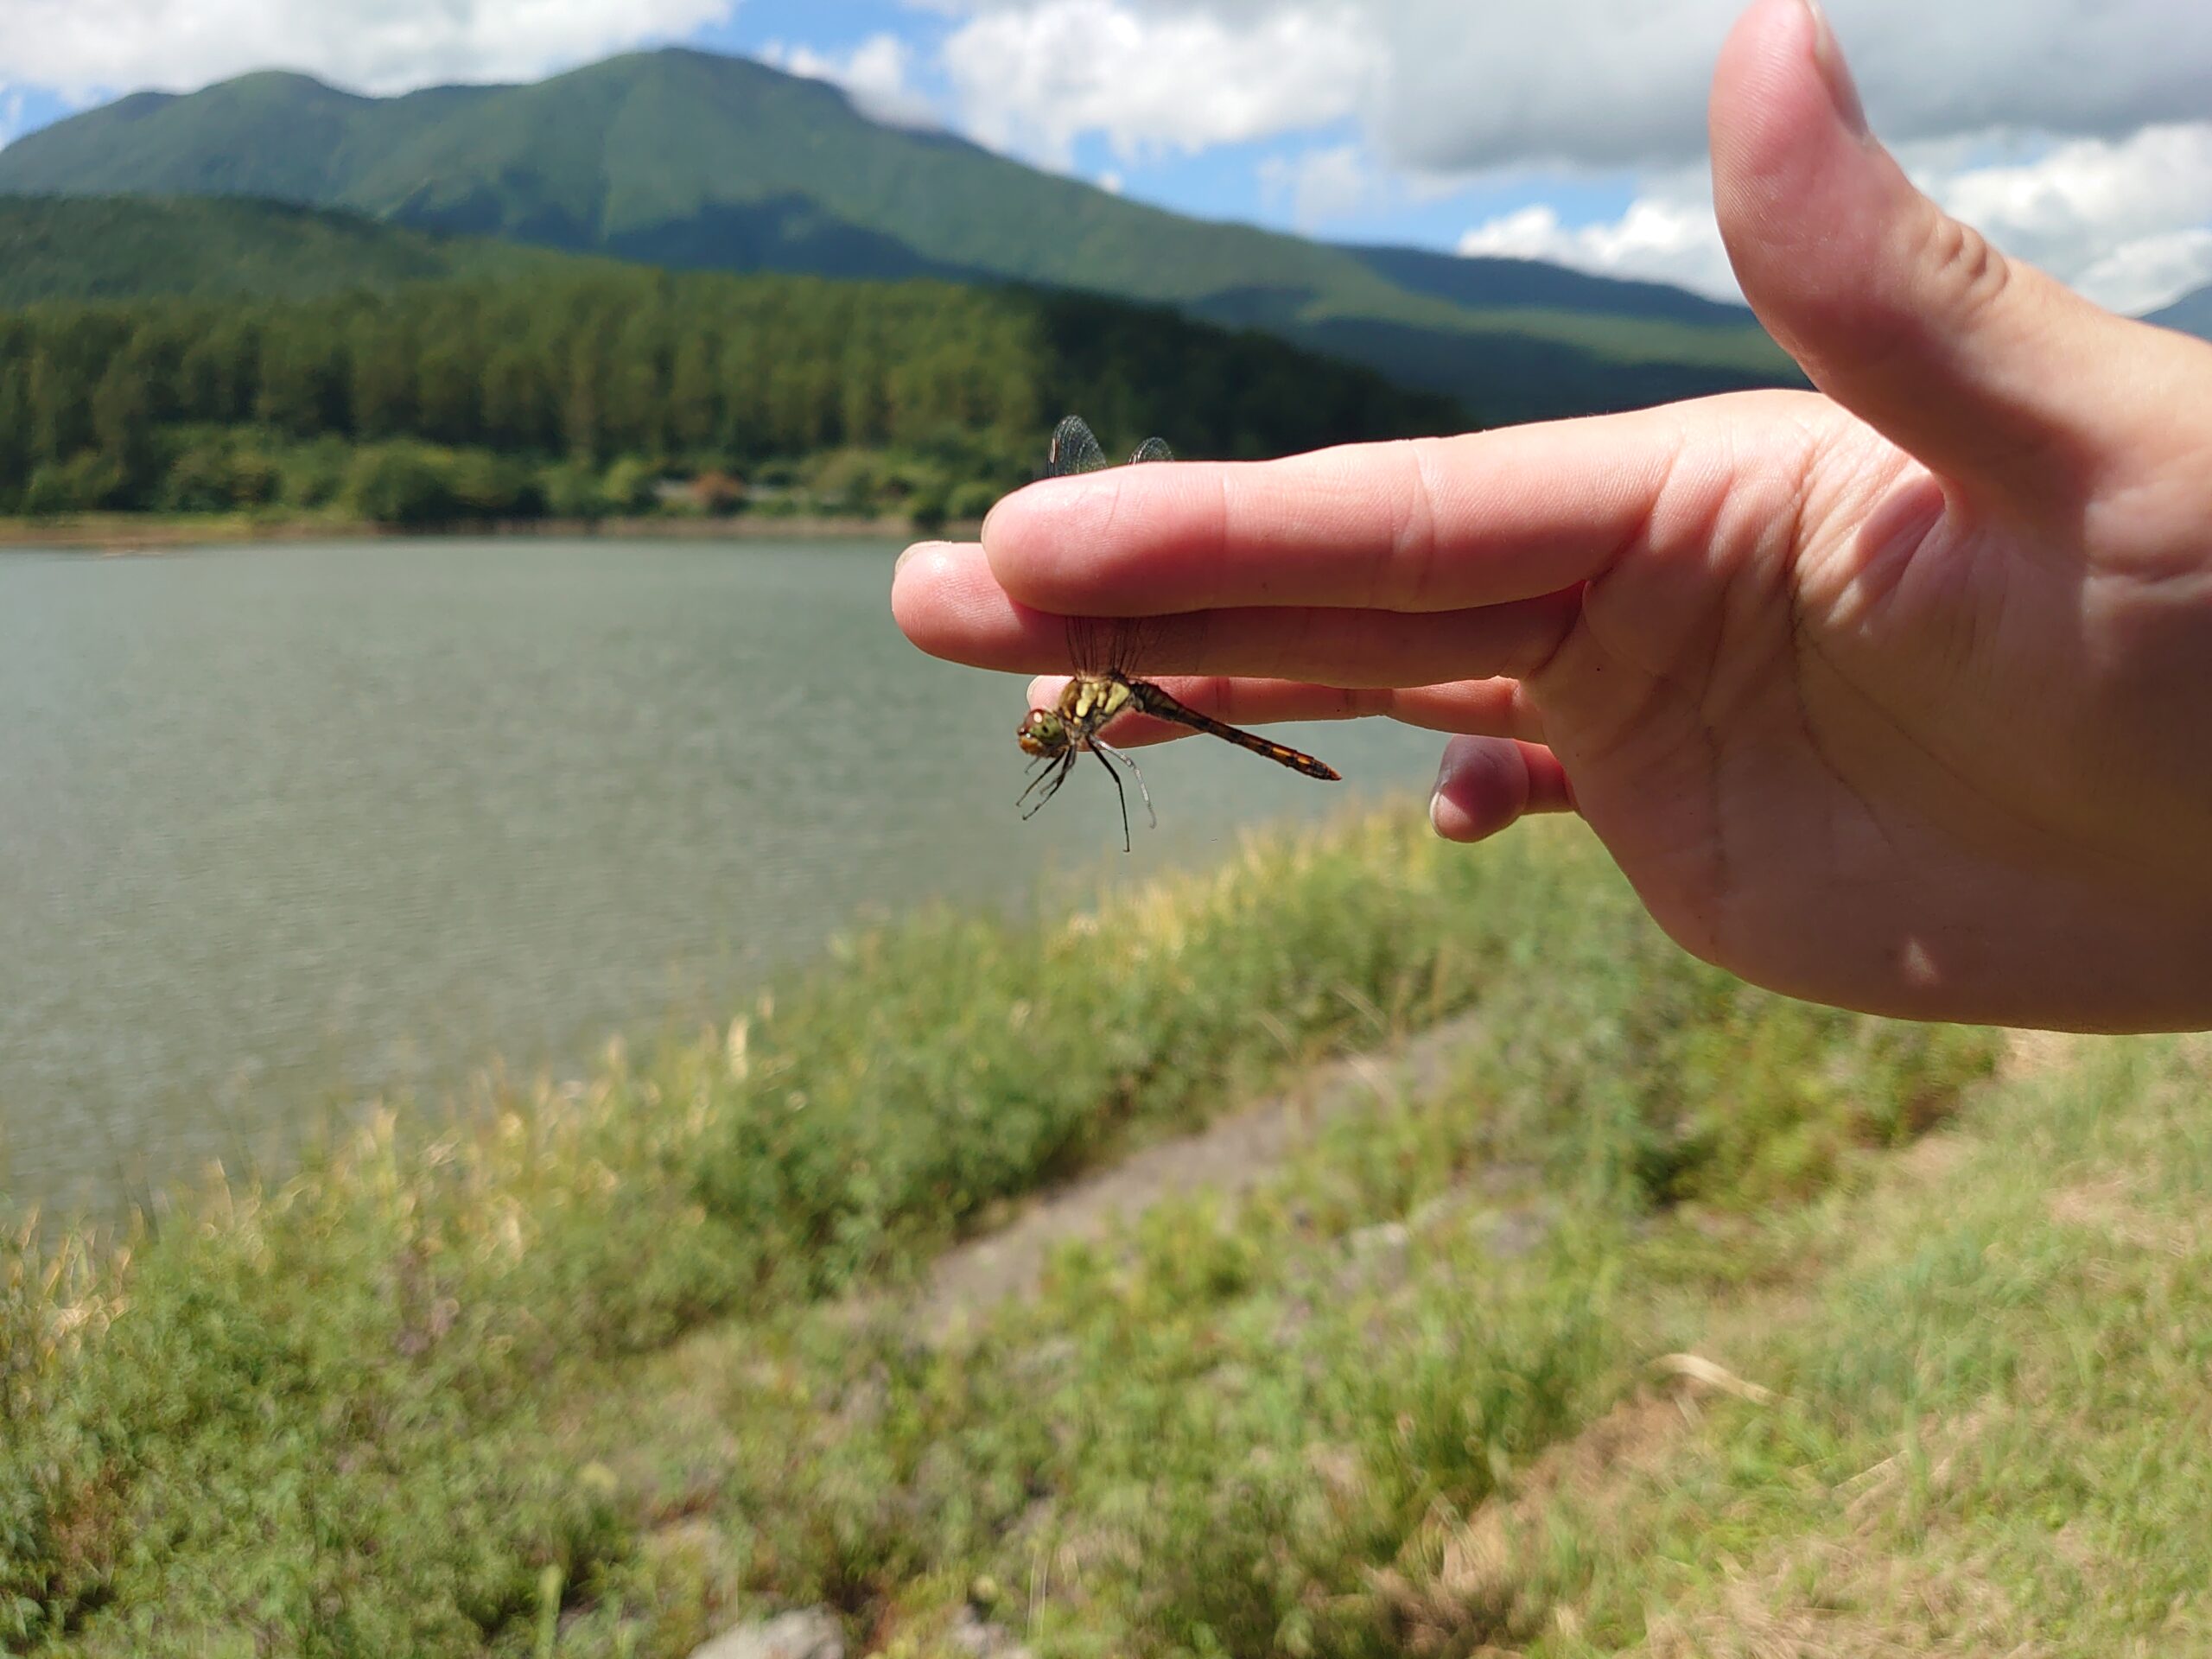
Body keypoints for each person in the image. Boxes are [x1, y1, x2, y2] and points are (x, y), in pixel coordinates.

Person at [893, 0, 2212, 1034]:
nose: (1056, 739)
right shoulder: (1095, 687)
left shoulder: (1106, 678)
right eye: (1058, 742)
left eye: (1058, 738)